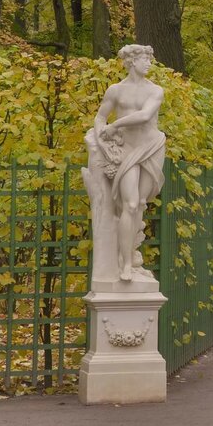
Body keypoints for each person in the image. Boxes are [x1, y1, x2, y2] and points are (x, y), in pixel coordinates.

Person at [89, 44, 166, 282]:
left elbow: (144, 116)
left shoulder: (155, 91)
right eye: (145, 59)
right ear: (132, 61)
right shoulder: (115, 91)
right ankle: (124, 264)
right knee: (130, 204)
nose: (149, 64)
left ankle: (132, 256)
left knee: (140, 204)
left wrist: (115, 126)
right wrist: (103, 143)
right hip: (126, 150)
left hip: (151, 146)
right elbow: (100, 118)